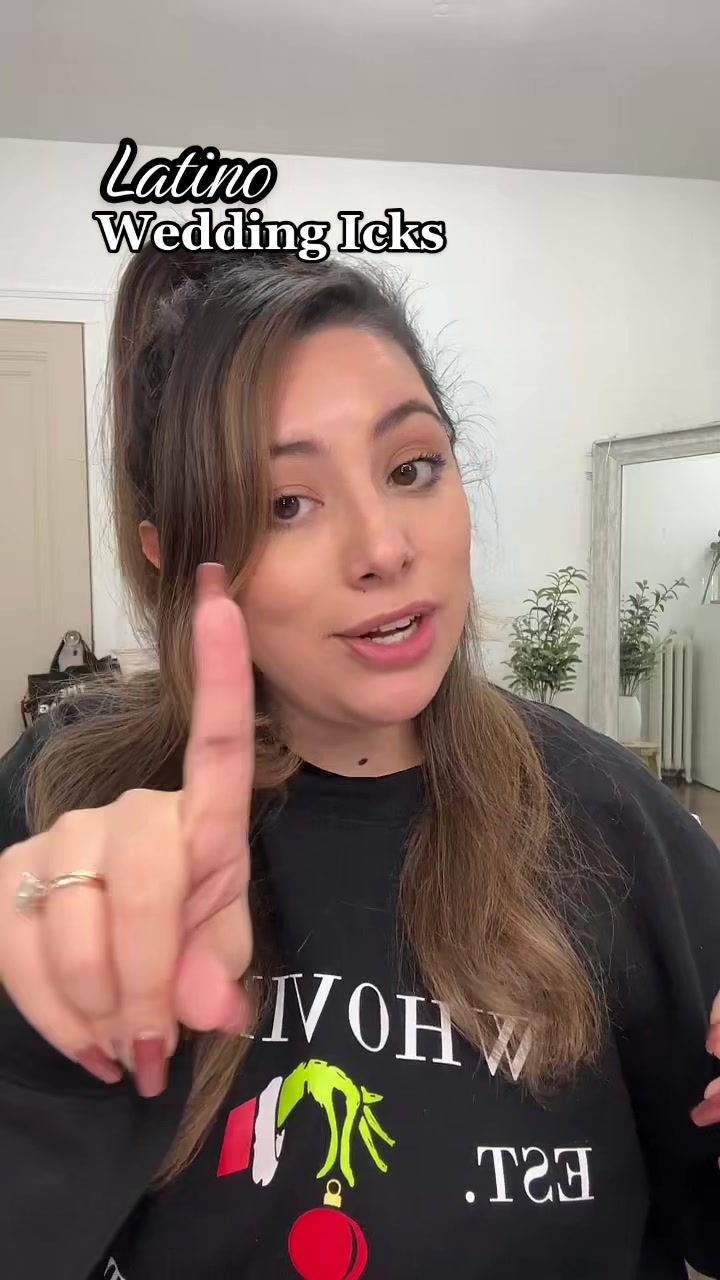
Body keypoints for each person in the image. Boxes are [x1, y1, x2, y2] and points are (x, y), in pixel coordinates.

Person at [1, 245, 720, 1280]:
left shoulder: (613, 818)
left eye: (410, 467)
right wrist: (35, 1061)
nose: (384, 547)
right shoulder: (62, 805)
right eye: (286, 503)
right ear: (171, 560)